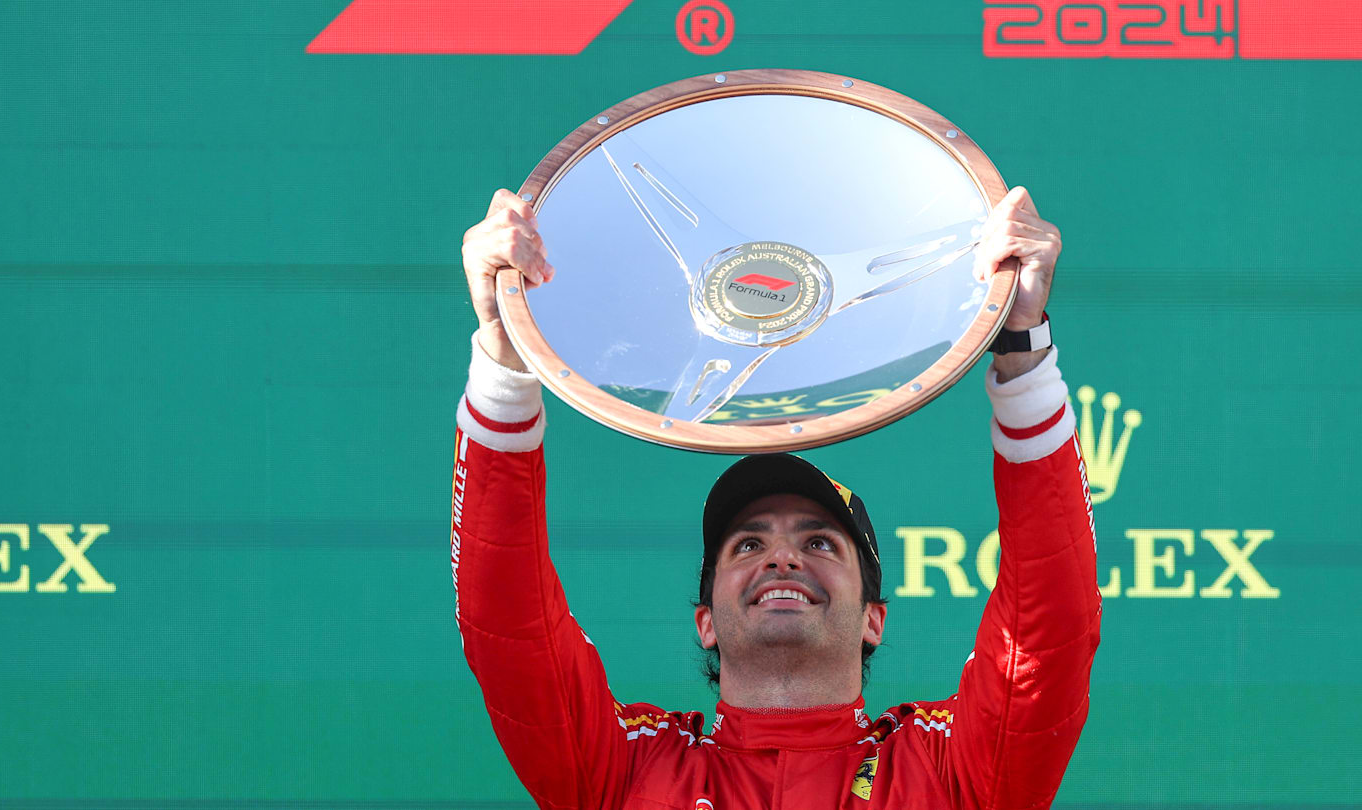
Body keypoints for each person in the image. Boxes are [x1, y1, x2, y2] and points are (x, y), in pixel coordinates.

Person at [452, 186, 1099, 809]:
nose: (782, 559)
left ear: (875, 617)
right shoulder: (623, 768)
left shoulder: (949, 770)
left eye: (819, 541)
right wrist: (507, 364)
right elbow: (510, 626)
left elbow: (1048, 634)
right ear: (704, 620)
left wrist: (1022, 350)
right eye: (749, 542)